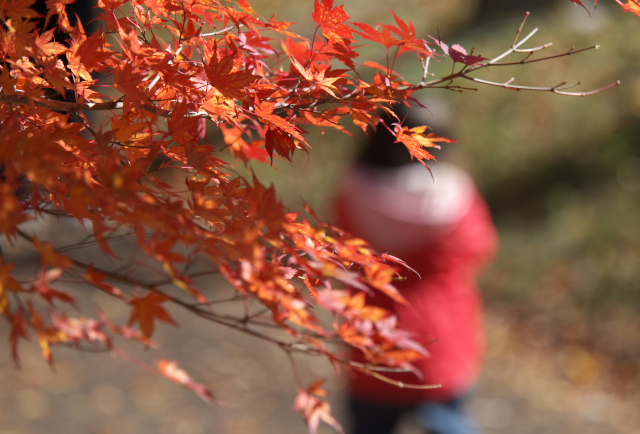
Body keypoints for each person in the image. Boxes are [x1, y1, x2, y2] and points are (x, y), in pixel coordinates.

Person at [333, 100, 499, 434]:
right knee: (450, 423)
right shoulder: (456, 198)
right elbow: (481, 247)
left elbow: (340, 252)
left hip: (373, 341)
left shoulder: (353, 192)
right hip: (440, 339)